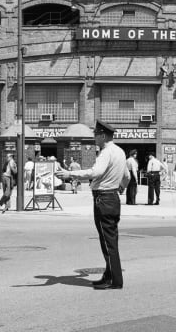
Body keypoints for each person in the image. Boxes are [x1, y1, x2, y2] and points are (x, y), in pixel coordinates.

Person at [55, 119, 129, 290]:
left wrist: (70, 174)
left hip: (103, 198)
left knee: (107, 241)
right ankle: (109, 276)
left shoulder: (106, 152)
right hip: (112, 198)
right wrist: (121, 188)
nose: (94, 137)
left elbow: (96, 172)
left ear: (103, 135)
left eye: (96, 134)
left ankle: (115, 280)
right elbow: (126, 176)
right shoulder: (120, 152)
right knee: (111, 239)